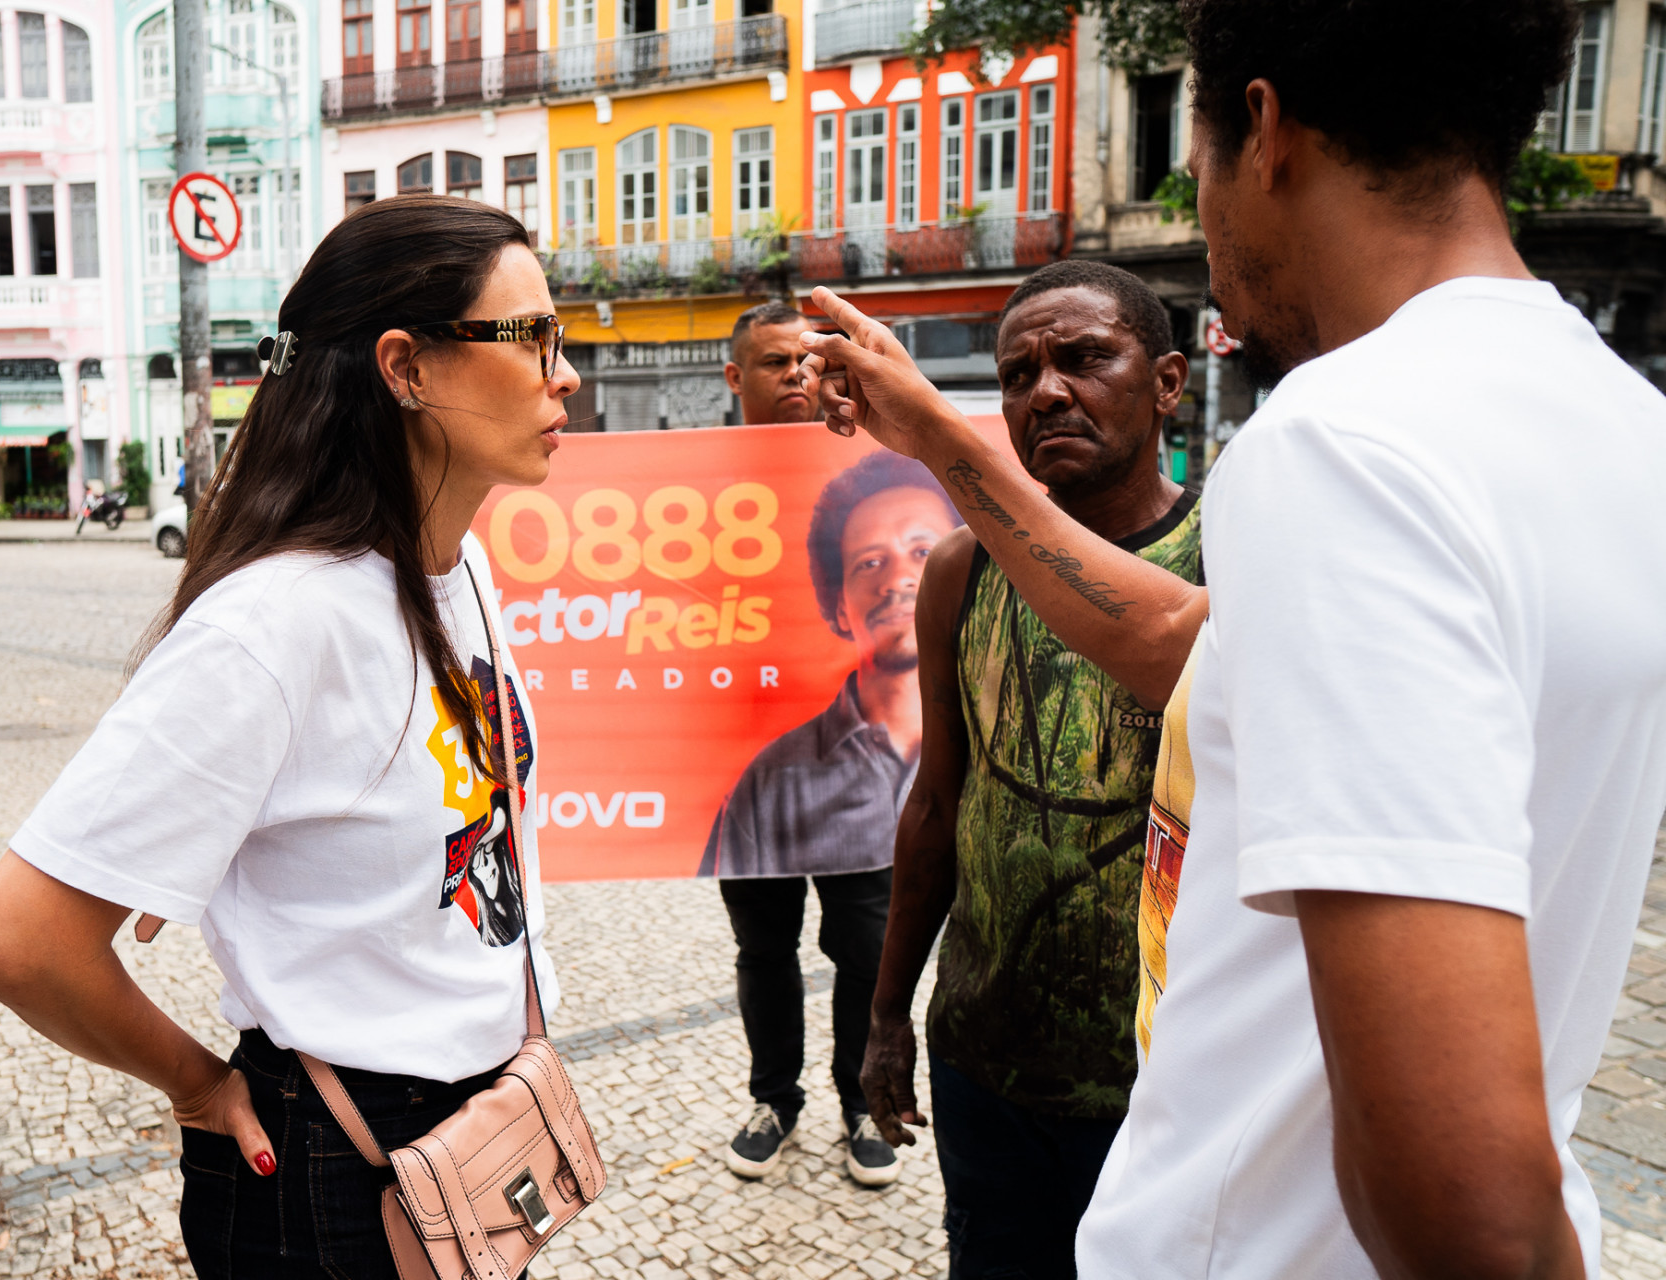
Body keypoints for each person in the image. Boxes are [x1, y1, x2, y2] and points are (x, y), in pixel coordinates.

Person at [796, 0, 1666, 1275]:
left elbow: (1466, 1202)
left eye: (1190, 162)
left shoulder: (1343, 442)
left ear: (1262, 132)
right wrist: (935, 435)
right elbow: (1184, 641)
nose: (1201, 224)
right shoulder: (1621, 424)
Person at [0, 196, 580, 1279]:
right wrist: (198, 1083)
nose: (562, 371)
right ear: (408, 367)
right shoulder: (275, 622)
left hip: (472, 1125)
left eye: (560, 335)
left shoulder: (460, 569)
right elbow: (21, 938)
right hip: (334, 1169)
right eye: (529, 335)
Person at [861, 261, 1199, 1278]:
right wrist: (886, 1016)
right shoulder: (963, 569)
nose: (1045, 390)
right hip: (986, 1061)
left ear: (1169, 381)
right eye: (1018, 374)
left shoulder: (1226, 557)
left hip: (1164, 1080)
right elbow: (937, 800)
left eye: (1086, 358)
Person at [700, 449, 961, 1187]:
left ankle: (859, 1103)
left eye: (921, 550)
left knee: (868, 957)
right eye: (867, 562)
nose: (898, 577)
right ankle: (773, 1101)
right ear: (836, 601)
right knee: (764, 953)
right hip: (763, 786)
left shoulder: (974, 730)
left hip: (890, 839)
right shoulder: (769, 780)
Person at [724, 301, 818, 425]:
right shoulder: (702, 444)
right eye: (775, 363)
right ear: (735, 378)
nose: (795, 373)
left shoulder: (849, 441)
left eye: (806, 361)